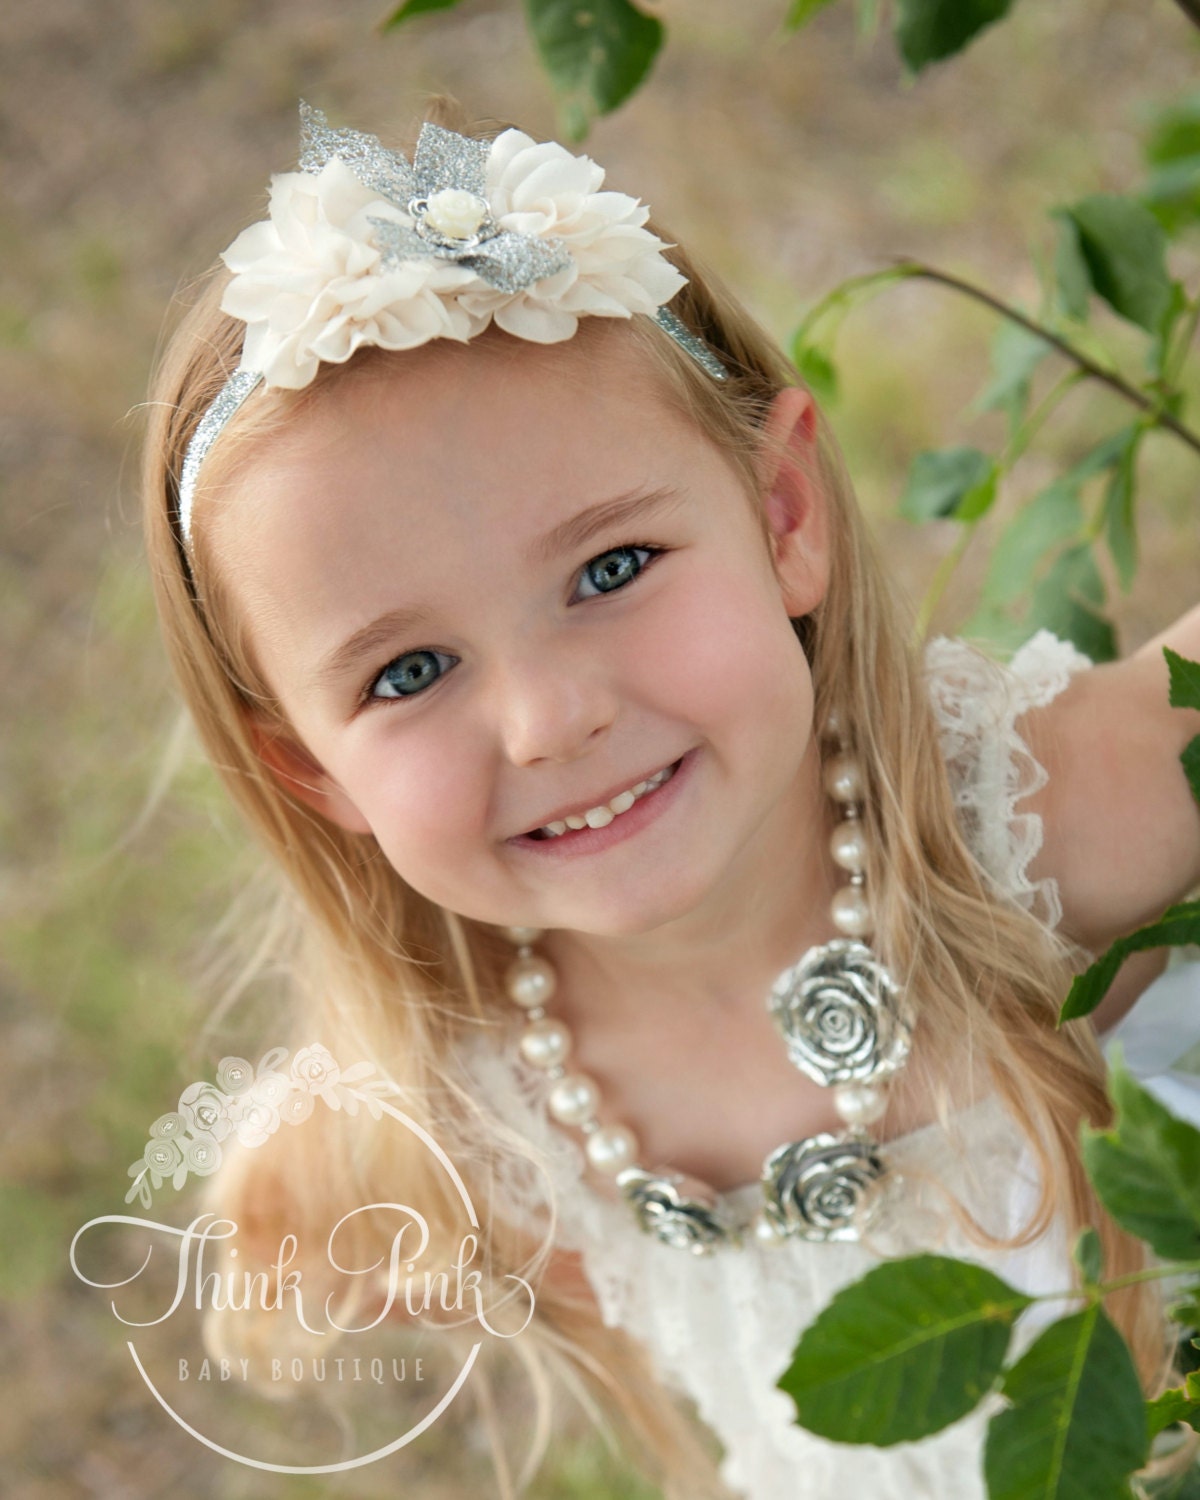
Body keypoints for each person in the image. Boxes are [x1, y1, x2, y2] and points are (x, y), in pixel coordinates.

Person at [140, 96, 1200, 1498]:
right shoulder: (479, 1121)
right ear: (310, 768)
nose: (550, 715)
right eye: (407, 672)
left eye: (612, 570)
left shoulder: (1049, 811)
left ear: (784, 521)